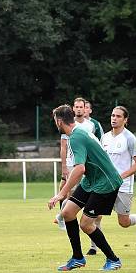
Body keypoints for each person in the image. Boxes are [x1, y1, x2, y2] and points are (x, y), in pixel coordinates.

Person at [48, 104, 124, 271]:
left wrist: (61, 194)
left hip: (105, 182)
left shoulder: (75, 137)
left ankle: (113, 259)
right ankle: (77, 258)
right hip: (92, 180)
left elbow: (79, 168)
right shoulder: (78, 133)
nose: (55, 124)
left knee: (86, 224)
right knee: (67, 212)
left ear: (60, 121)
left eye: (55, 121)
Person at [99, 105, 136, 234]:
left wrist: (120, 177)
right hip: (105, 185)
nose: (114, 119)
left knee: (123, 222)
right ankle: (93, 248)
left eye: (118, 116)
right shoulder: (104, 137)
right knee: (93, 215)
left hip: (123, 186)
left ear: (125, 120)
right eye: (112, 115)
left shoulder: (129, 138)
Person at [55, 97, 101, 232]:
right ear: (73, 108)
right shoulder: (68, 125)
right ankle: (64, 217)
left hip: (86, 165)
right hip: (72, 163)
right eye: (77, 106)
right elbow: (63, 146)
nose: (80, 109)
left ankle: (64, 216)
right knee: (71, 194)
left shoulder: (91, 125)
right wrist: (64, 167)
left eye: (82, 106)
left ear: (86, 109)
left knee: (80, 194)